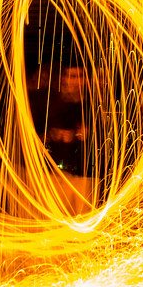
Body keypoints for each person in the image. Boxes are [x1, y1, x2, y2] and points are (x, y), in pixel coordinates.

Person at [27, 63, 94, 215]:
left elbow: (98, 135)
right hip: (52, 174)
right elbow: (33, 132)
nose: (74, 81)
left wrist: (81, 135)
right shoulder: (49, 102)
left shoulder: (91, 104)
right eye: (70, 76)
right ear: (63, 78)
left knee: (81, 221)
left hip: (82, 175)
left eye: (79, 77)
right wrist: (51, 135)